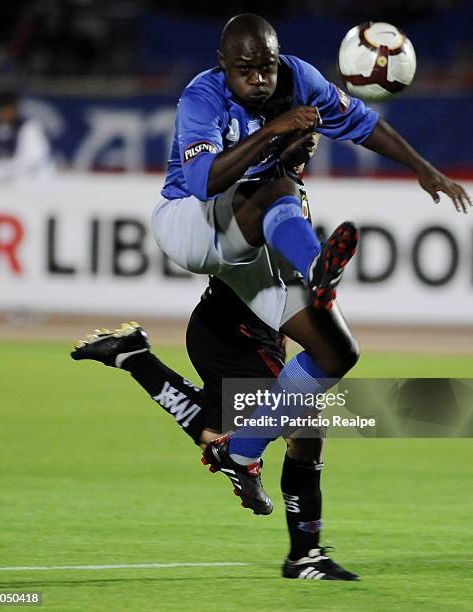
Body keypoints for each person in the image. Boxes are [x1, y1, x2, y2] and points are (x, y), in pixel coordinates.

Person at [147, 13, 470, 516]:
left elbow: (366, 125)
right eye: (245, 70)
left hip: (251, 241)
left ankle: (241, 452)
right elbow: (204, 181)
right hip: (191, 224)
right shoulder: (202, 95)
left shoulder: (301, 79)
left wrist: (424, 169)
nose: (258, 79)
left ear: (280, 61)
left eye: (267, 68)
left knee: (336, 350)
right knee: (279, 186)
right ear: (223, 67)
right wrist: (276, 130)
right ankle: (319, 267)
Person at [71, 275, 360, 580]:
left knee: (233, 424)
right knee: (304, 429)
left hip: (245, 331)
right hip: (233, 336)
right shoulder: (261, 231)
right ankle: (304, 557)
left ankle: (135, 357)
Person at [0, 90, 53, 183]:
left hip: (24, 179)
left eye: (9, 109)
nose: (5, 113)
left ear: (15, 109)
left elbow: (35, 158)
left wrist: (8, 168)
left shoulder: (29, 127)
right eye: (2, 109)